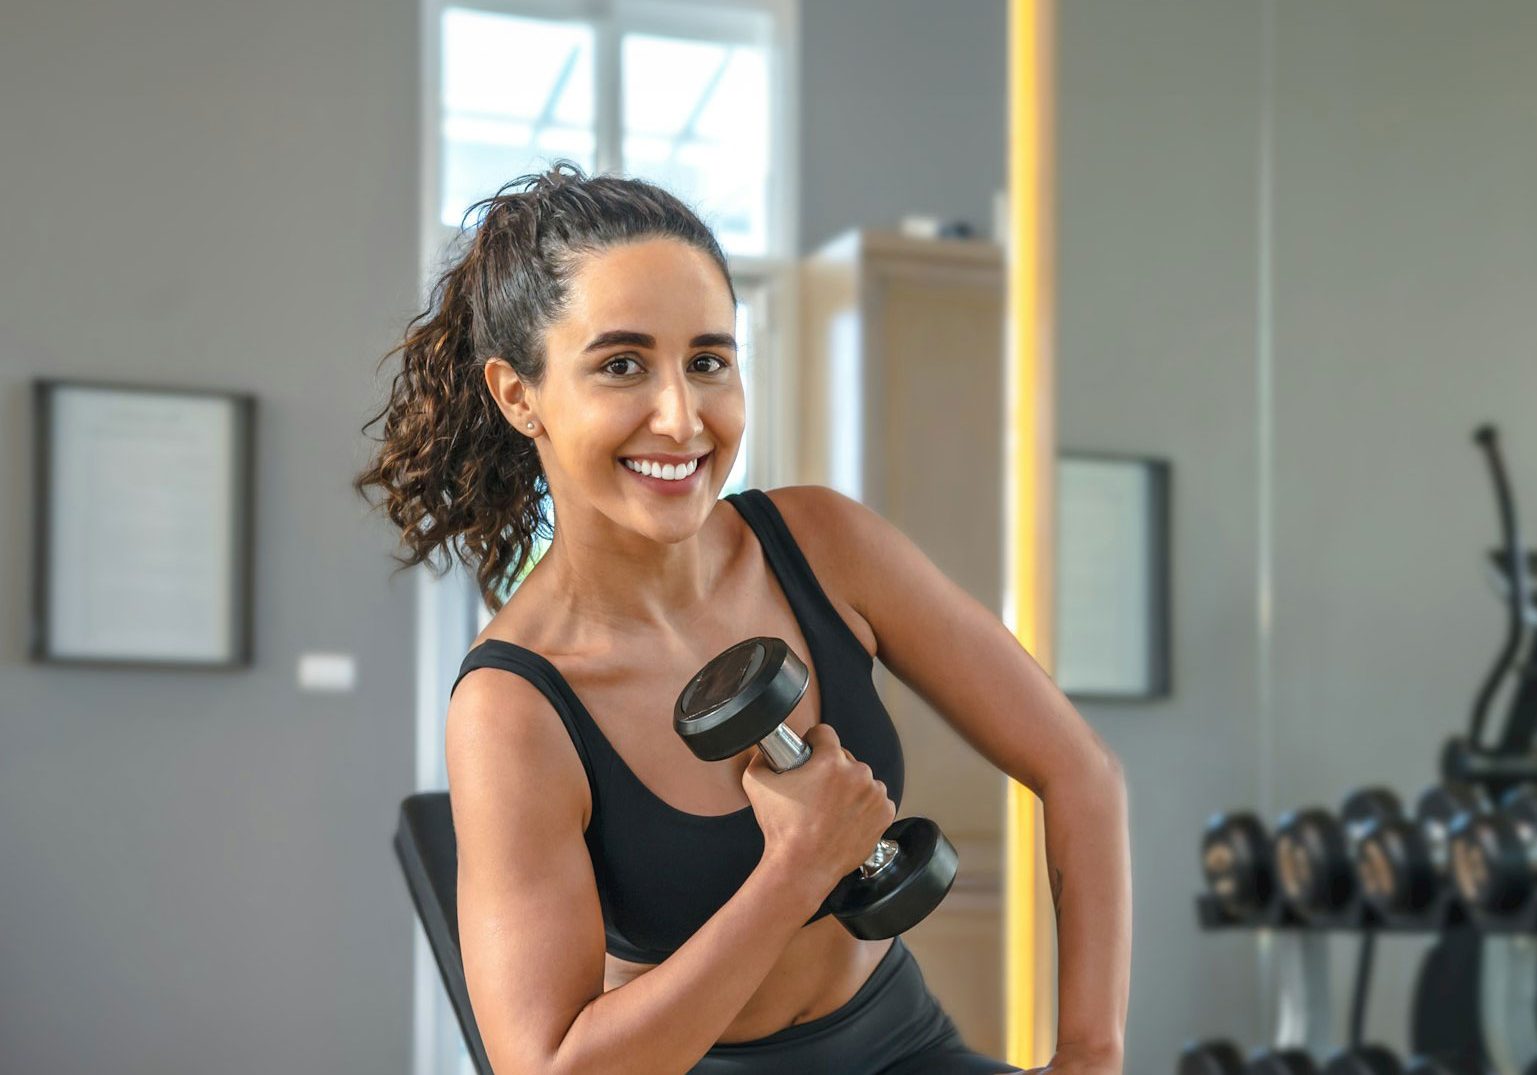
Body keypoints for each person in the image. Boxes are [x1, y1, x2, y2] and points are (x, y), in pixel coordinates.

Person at [355, 163, 1130, 1075]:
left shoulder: (823, 542)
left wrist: (1090, 1052)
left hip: (904, 1040)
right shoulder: (512, 707)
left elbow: (1080, 769)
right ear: (518, 394)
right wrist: (796, 867)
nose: (682, 417)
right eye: (620, 364)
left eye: (708, 361)